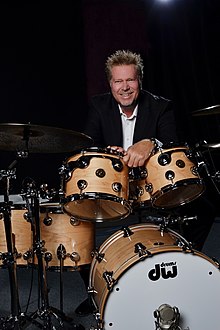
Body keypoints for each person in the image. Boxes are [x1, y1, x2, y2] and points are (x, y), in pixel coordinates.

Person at [74, 49, 217, 316]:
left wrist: (151, 142)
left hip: (150, 185)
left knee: (204, 207)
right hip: (114, 185)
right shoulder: (98, 105)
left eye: (130, 80)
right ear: (110, 84)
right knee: (79, 221)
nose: (125, 88)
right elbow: (89, 144)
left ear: (139, 80)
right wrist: (108, 152)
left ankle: (182, 267)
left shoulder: (161, 105)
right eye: (118, 81)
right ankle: (94, 293)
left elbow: (172, 142)